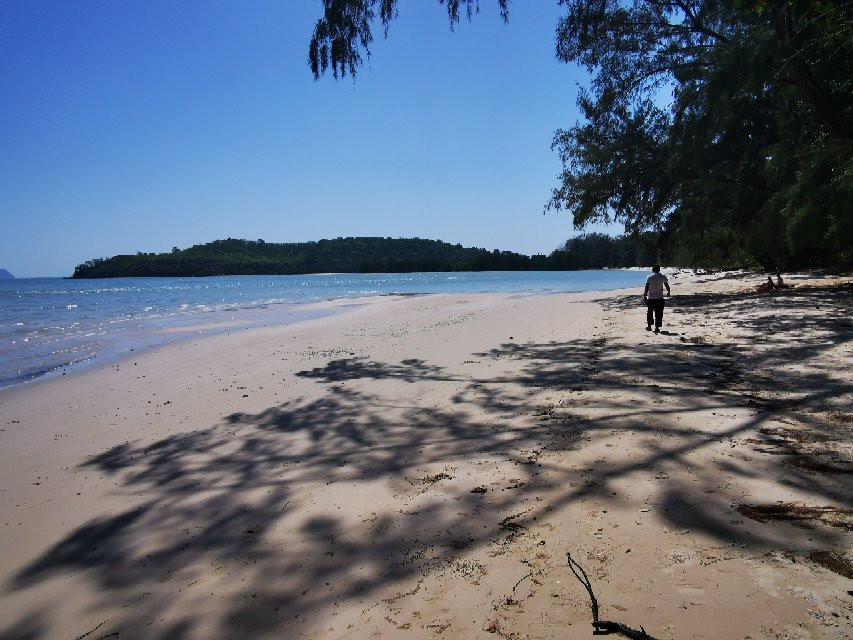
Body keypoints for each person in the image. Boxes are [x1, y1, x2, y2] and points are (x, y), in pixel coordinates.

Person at [644, 265, 671, 334]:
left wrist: (645, 295)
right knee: (659, 313)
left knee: (650, 312)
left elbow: (647, 287)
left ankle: (649, 326)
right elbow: (667, 285)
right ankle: (657, 328)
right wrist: (668, 292)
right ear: (659, 270)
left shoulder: (650, 277)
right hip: (659, 298)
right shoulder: (662, 277)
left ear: (653, 270)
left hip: (651, 298)